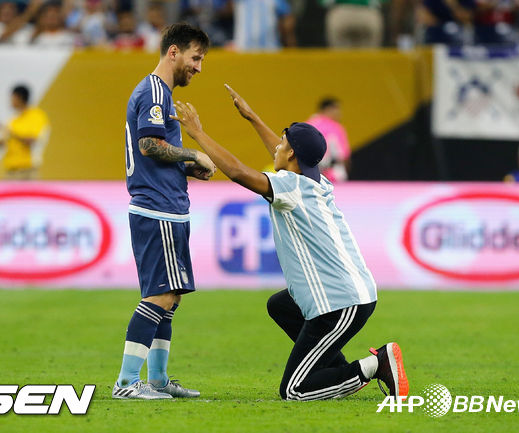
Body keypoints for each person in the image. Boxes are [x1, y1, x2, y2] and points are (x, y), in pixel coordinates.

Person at [170, 85, 408, 401]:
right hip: (347, 293)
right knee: (281, 306)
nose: (277, 148)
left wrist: (198, 133)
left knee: (294, 391)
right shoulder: (315, 179)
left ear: (292, 154)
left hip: (341, 302)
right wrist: (252, 118)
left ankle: (374, 365)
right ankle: (335, 371)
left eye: (283, 144)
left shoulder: (291, 186)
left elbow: (238, 172)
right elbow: (283, 153)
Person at [113, 23, 215, 400]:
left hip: (167, 206)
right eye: (196, 58)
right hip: (157, 209)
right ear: (173, 52)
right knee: (159, 296)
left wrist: (186, 169)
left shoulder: (160, 93)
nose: (199, 67)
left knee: (170, 297)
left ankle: (157, 379)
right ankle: (126, 382)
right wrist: (193, 154)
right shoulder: (155, 91)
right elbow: (149, 145)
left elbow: (155, 154)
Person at [0, 84, 50, 180]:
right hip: (11, 171)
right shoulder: (12, 120)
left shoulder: (36, 116)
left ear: (20, 98)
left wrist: (10, 132)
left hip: (29, 171)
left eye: (12, 98)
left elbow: (31, 141)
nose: (10, 101)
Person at [306, 97, 351, 182]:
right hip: (333, 177)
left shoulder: (307, 126)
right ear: (327, 109)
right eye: (336, 108)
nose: (339, 113)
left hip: (310, 176)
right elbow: (343, 156)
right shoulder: (335, 127)